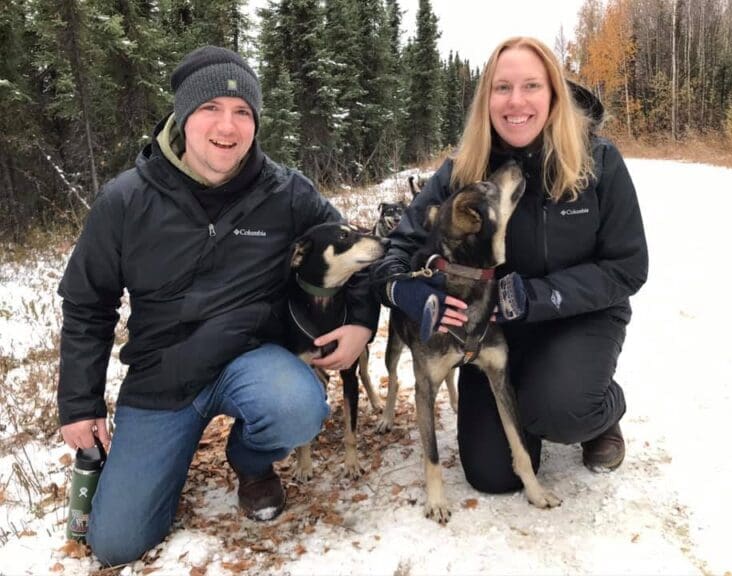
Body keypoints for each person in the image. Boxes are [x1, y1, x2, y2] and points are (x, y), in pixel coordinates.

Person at [56, 46, 377, 566]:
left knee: (298, 406)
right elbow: (87, 303)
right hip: (163, 378)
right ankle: (161, 461)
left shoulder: (286, 192)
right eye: (211, 108)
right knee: (116, 543)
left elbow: (353, 246)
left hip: (252, 360)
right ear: (183, 116)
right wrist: (80, 403)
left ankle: (250, 460)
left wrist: (361, 320)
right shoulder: (126, 200)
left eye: (242, 112)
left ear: (255, 123)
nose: (227, 126)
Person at [371, 37, 648, 494]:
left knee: (561, 409)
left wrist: (535, 296)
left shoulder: (598, 162)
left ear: (554, 94)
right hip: (492, 327)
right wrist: (404, 290)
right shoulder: (465, 172)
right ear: (487, 100)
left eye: (531, 86)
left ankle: (599, 411)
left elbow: (628, 267)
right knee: (491, 475)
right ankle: (539, 398)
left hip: (578, 317)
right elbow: (398, 247)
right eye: (502, 88)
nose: (516, 101)